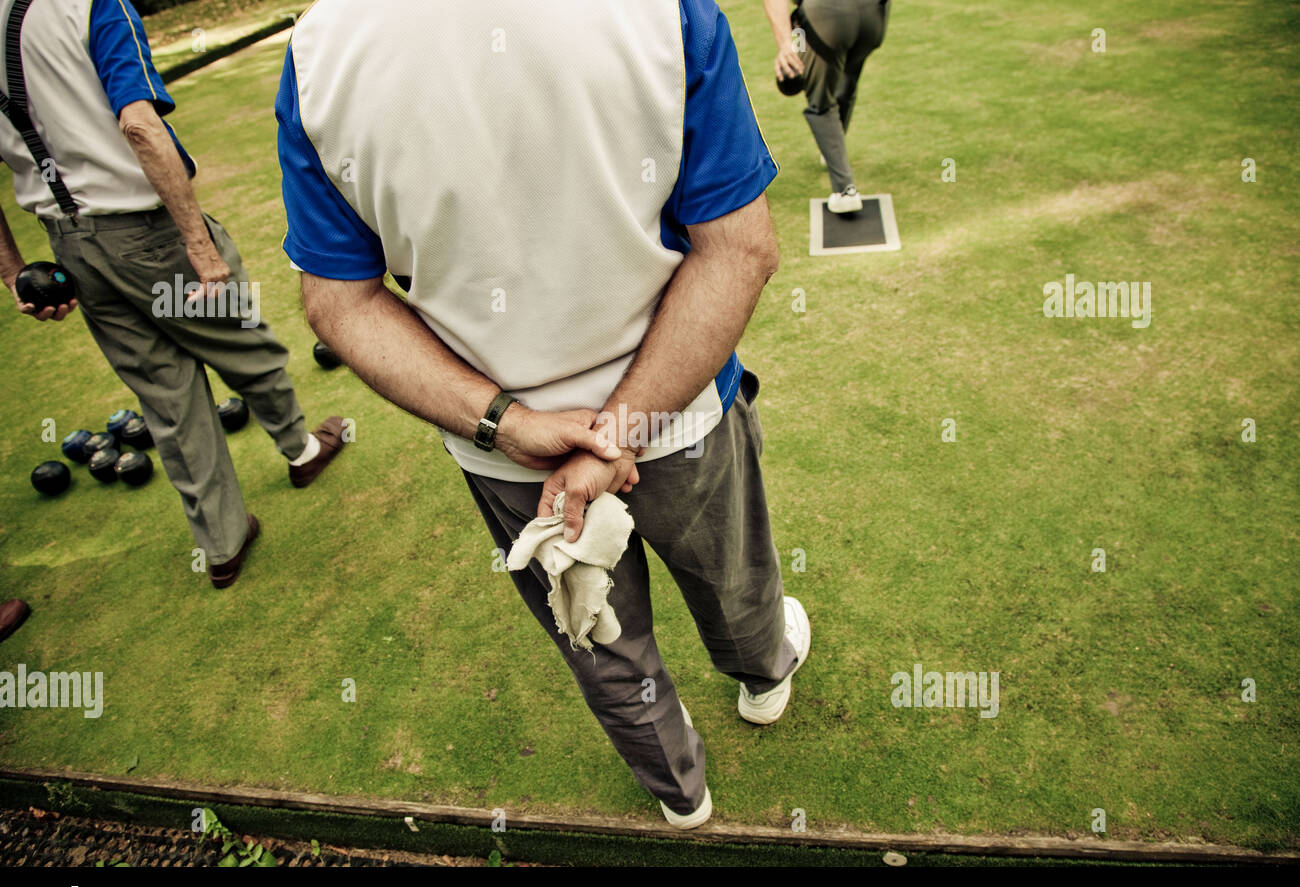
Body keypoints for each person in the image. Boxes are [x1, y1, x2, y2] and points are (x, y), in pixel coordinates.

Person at [278, 0, 811, 828]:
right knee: (728, 578)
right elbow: (739, 248)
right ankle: (765, 680)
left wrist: (510, 426)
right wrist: (616, 434)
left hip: (508, 454)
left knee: (600, 636)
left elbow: (340, 305)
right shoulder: (665, 11)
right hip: (676, 414)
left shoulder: (318, 52)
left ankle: (682, 795)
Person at [0, 0, 346, 588]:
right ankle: (302, 452)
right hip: (147, 231)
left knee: (165, 392)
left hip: (68, 246)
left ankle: (222, 544)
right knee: (243, 342)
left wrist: (13, 275)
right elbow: (138, 124)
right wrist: (200, 246)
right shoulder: (90, 5)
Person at [764, 0, 890, 212]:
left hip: (829, 17)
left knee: (820, 102)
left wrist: (786, 45)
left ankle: (845, 191)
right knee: (847, 77)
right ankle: (832, 150)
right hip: (874, 18)